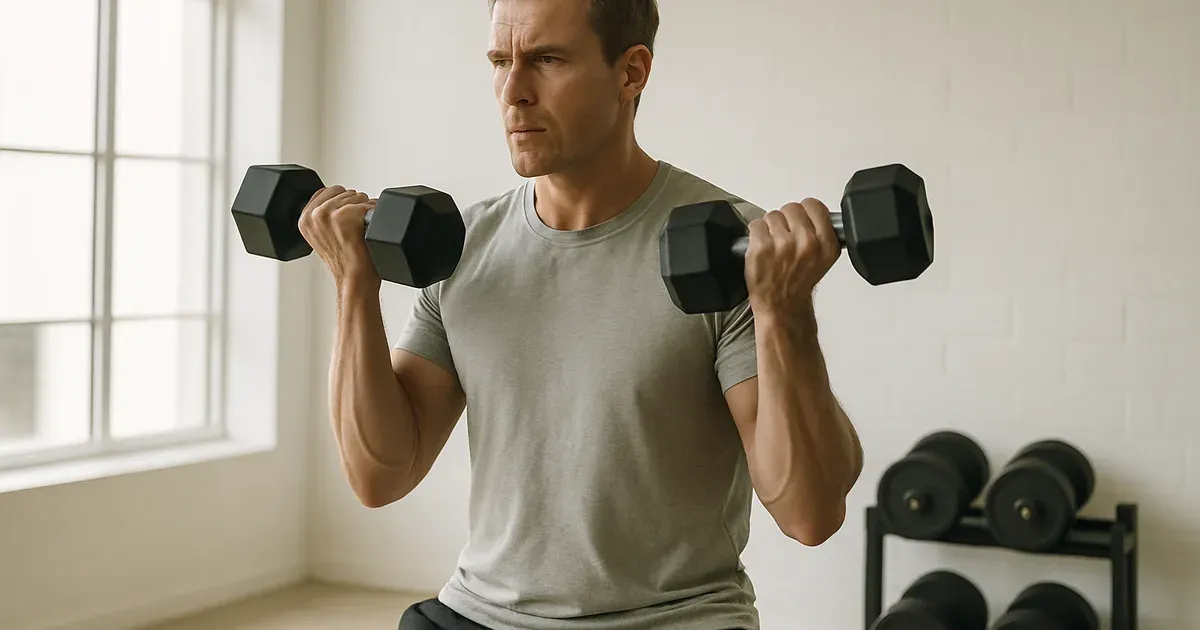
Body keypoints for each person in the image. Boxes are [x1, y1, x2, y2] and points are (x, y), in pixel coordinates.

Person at [298, 0, 864, 628]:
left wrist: (784, 310)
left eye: (546, 59)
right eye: (500, 61)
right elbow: (380, 476)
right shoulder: (464, 248)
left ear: (631, 73)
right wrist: (354, 285)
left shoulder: (733, 250)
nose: (513, 91)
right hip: (481, 613)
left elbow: (809, 514)